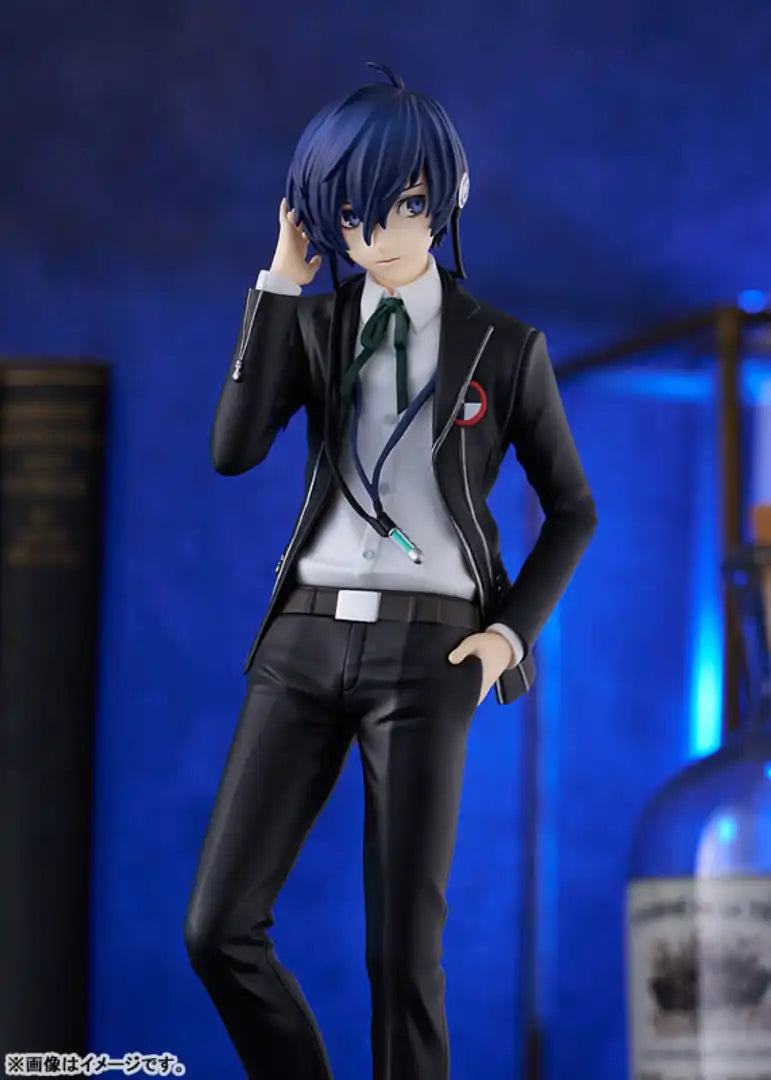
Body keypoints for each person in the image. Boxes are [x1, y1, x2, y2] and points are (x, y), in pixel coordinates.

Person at [184, 62, 598, 1080]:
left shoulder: (504, 346)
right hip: (300, 639)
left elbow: (573, 511)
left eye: (402, 204)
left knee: (402, 956)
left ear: (445, 200)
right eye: (349, 214)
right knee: (217, 927)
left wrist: (506, 638)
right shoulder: (315, 325)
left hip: (430, 651)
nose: (375, 233)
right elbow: (232, 450)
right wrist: (280, 283)